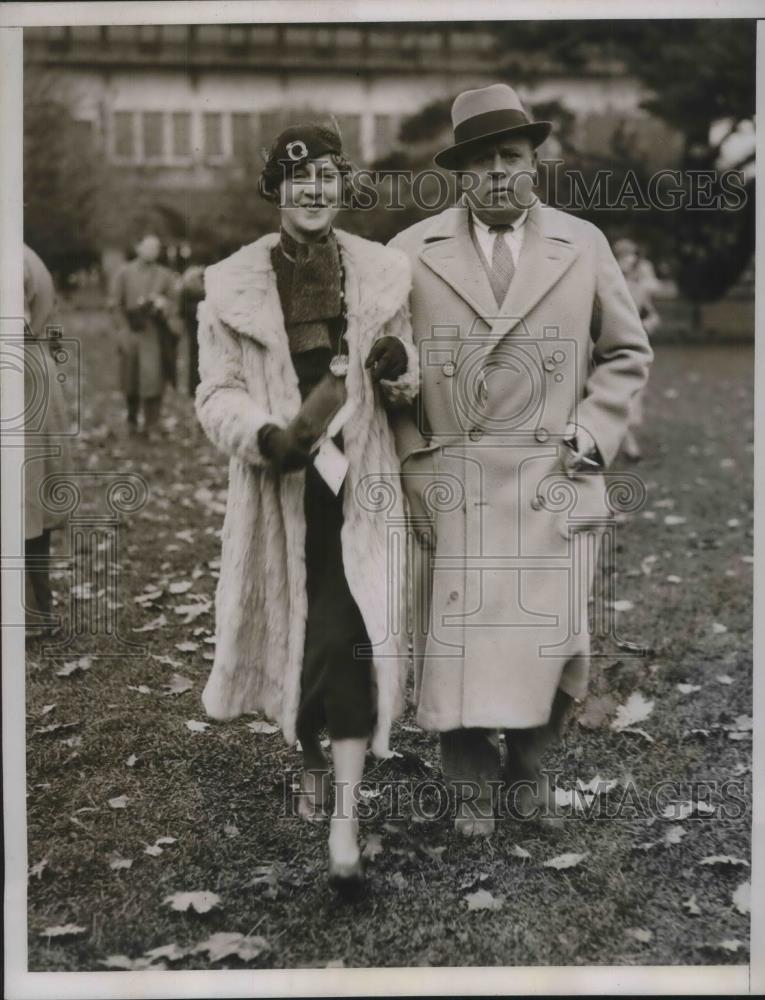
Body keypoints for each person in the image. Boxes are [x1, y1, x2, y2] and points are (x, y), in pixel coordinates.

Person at [390, 84, 653, 836]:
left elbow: (626, 351)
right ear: (460, 175)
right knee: (456, 641)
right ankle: (470, 784)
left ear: (534, 163)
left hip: (553, 475)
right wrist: (414, 466)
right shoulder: (409, 253)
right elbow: (388, 378)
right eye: (481, 162)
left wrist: (594, 430)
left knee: (554, 637)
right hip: (455, 479)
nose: (498, 173)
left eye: (511, 157)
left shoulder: (582, 243)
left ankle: (530, 773)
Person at [195, 121, 419, 893]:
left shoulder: (383, 275)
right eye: (299, 179)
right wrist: (261, 433)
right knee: (299, 630)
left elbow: (405, 379)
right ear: (275, 191)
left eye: (327, 176)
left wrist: (395, 369)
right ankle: (312, 754)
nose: (314, 190)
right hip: (284, 488)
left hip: (360, 487)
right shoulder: (229, 286)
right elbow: (213, 393)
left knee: (346, 633)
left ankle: (345, 826)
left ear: (342, 186)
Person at [23, 244, 73, 639]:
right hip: (34, 373)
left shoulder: (11, 259)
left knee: (24, 499)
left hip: (18, 381)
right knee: (30, 500)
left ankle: (30, 614)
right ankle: (38, 610)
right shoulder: (29, 255)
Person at [109, 234, 181, 439]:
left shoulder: (165, 275)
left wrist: (163, 304)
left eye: (156, 248)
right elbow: (114, 304)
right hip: (131, 331)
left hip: (155, 333)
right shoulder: (124, 272)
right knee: (130, 378)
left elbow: (174, 304)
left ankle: (152, 424)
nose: (153, 251)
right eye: (149, 247)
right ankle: (131, 420)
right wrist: (122, 330)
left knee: (154, 378)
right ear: (138, 247)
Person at [613, 238, 661, 462]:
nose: (629, 260)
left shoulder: (639, 286)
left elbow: (652, 315)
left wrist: (645, 326)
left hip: (635, 346)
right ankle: (626, 443)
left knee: (634, 391)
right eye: (624, 256)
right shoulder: (609, 282)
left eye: (632, 256)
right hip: (609, 345)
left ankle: (626, 440)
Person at [179, 254, 206, 398]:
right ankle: (194, 387)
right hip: (194, 326)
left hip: (206, 325)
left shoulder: (208, 284)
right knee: (195, 355)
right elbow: (183, 309)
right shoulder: (188, 286)